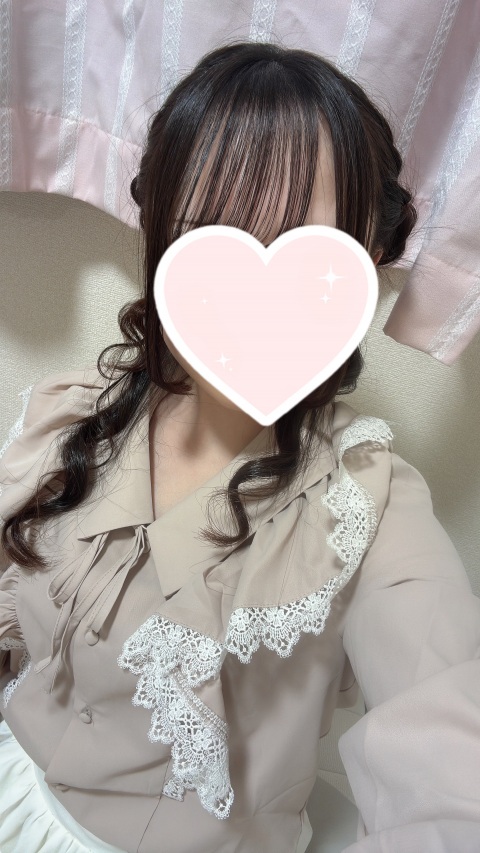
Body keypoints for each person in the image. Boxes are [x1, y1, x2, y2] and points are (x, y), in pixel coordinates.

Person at [0, 40, 479, 853]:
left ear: (366, 263)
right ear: (158, 236)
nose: (254, 295)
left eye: (304, 249)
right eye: (211, 235)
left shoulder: (369, 505)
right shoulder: (69, 416)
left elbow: (452, 759)